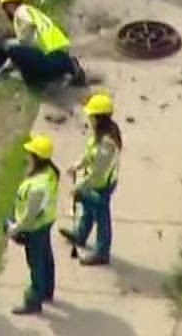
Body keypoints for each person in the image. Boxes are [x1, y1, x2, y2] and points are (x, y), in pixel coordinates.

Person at [62, 92, 122, 266]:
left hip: (101, 184)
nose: (89, 118)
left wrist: (80, 186)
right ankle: (80, 235)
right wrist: (78, 165)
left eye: (91, 115)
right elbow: (90, 154)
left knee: (101, 217)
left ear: (99, 118)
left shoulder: (107, 144)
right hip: (95, 181)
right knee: (88, 209)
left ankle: (102, 252)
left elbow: (98, 171)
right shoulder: (99, 134)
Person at [4, 134, 60, 315]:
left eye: (30, 153)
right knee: (45, 258)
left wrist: (15, 228)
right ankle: (47, 291)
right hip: (46, 222)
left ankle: (34, 299)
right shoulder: (50, 173)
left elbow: (30, 215)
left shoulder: (38, 186)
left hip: (34, 228)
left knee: (36, 263)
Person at [0, 0, 88, 87]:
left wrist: (3, 68)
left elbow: (23, 42)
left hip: (50, 57)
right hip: (60, 54)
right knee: (22, 55)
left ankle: (63, 67)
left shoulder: (21, 12)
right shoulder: (33, 11)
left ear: (8, 5)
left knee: (9, 45)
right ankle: (68, 68)